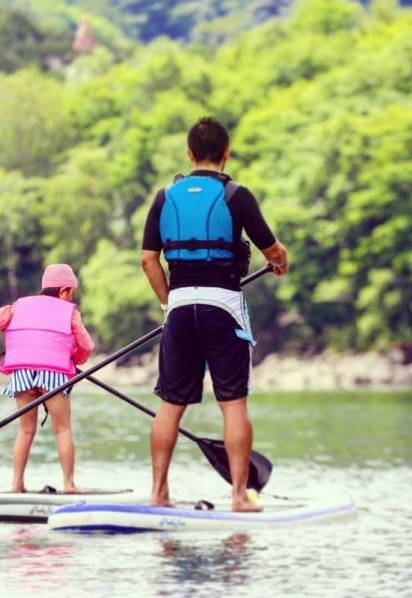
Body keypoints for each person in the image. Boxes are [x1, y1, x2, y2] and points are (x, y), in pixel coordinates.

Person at [140, 117, 289, 512]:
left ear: (189, 155)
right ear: (227, 153)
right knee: (233, 403)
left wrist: (167, 302)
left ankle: (158, 494)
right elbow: (272, 251)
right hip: (223, 305)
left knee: (171, 403)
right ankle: (239, 497)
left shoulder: (163, 196)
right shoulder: (237, 195)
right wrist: (280, 260)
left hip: (180, 306)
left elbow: (148, 260)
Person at [0, 264, 94, 494]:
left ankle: (17, 484)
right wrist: (73, 361)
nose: (72, 299)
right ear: (63, 291)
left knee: (25, 430)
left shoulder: (18, 306)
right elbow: (86, 346)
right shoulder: (69, 313)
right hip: (54, 375)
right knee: (62, 430)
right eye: (72, 293)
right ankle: (69, 484)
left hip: (22, 374)